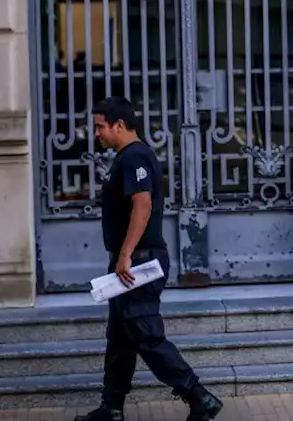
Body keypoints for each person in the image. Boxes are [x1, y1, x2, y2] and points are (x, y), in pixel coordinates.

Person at [75, 96, 223, 421]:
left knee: (147, 337)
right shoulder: (130, 156)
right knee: (120, 339)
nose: (97, 133)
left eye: (100, 126)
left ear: (119, 125)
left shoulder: (134, 157)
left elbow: (143, 206)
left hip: (137, 263)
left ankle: (199, 396)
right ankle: (111, 408)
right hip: (129, 263)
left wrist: (125, 254)